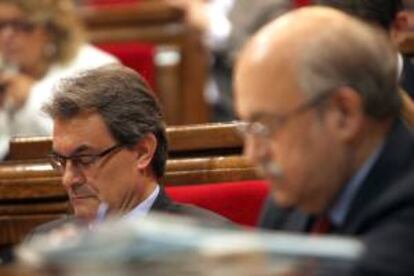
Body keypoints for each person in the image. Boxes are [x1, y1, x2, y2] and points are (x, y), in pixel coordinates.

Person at [234, 6, 414, 275]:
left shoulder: (401, 232)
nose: (253, 154)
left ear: (344, 113)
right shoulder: (290, 203)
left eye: (266, 127)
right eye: (247, 130)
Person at [28, 64, 229, 239]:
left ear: (143, 152)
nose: (68, 179)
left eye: (85, 159)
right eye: (61, 160)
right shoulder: (45, 243)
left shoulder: (208, 244)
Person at [0, 0, 118, 159]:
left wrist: (31, 98)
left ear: (51, 28)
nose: (7, 35)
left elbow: (95, 142)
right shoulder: (6, 69)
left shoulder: (97, 68)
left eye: (22, 25)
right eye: (1, 25)